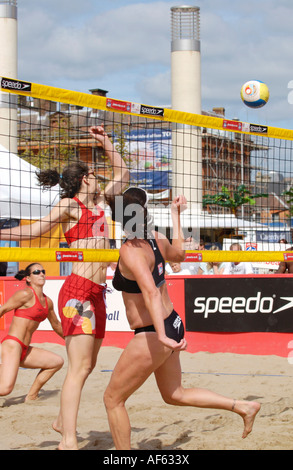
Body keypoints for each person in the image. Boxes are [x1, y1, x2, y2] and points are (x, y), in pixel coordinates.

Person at [0, 125, 129, 450]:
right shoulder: (71, 206)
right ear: (85, 178)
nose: (99, 177)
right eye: (93, 174)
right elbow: (35, 231)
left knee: (88, 366)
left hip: (99, 293)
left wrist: (106, 142)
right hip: (78, 291)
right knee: (80, 366)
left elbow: (124, 171)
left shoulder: (102, 202)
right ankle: (68, 440)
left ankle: (62, 420)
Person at [103, 187, 260, 450]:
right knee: (175, 394)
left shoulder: (130, 250)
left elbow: (151, 292)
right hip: (172, 322)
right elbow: (180, 254)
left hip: (154, 332)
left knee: (112, 399)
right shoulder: (154, 238)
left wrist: (162, 336)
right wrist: (175, 215)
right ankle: (242, 406)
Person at [0, 263, 64, 402]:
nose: (41, 274)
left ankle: (32, 396)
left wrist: (72, 341)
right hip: (13, 344)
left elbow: (57, 325)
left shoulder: (48, 302)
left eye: (43, 271)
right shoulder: (25, 294)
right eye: (36, 272)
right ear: (28, 278)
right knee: (5, 389)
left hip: (24, 349)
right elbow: (2, 310)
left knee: (57, 362)